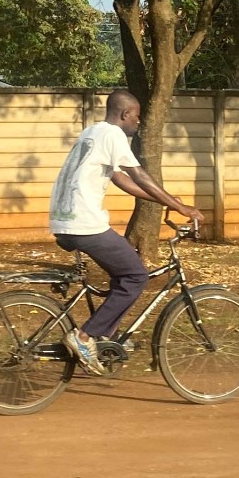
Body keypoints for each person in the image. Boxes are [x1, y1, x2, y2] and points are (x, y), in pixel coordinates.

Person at [48, 88, 204, 375]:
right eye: (137, 117)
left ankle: (104, 337)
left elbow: (120, 179)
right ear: (125, 114)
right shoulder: (113, 135)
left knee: (123, 271)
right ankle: (83, 338)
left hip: (65, 220)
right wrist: (183, 210)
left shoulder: (93, 133)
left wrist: (168, 200)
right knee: (135, 276)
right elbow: (139, 175)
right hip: (83, 223)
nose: (139, 123)